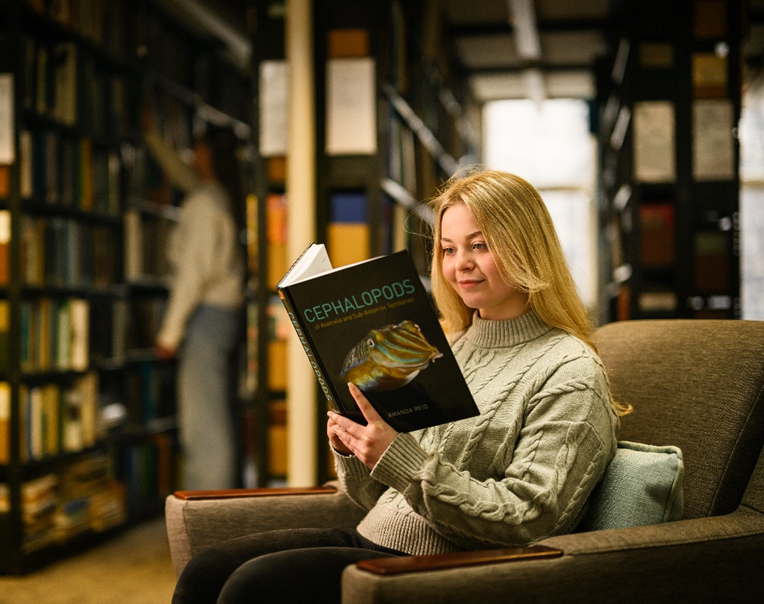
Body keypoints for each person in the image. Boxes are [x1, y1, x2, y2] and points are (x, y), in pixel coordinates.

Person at [171, 168, 627, 603]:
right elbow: (382, 494)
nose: (460, 265)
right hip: (375, 537)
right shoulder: (447, 346)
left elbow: (530, 519)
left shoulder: (569, 370)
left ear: (527, 248)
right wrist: (355, 449)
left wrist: (399, 457)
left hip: (440, 568)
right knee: (208, 569)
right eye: (448, 250)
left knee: (254, 588)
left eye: (479, 245)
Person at [145, 123, 245, 491]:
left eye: (198, 149)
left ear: (208, 154)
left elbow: (191, 276)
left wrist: (169, 332)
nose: (192, 155)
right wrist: (152, 135)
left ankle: (207, 507)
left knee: (204, 422)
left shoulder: (205, 204)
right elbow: (183, 175)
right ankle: (219, 500)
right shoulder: (218, 195)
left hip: (207, 317)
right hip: (224, 315)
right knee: (217, 414)